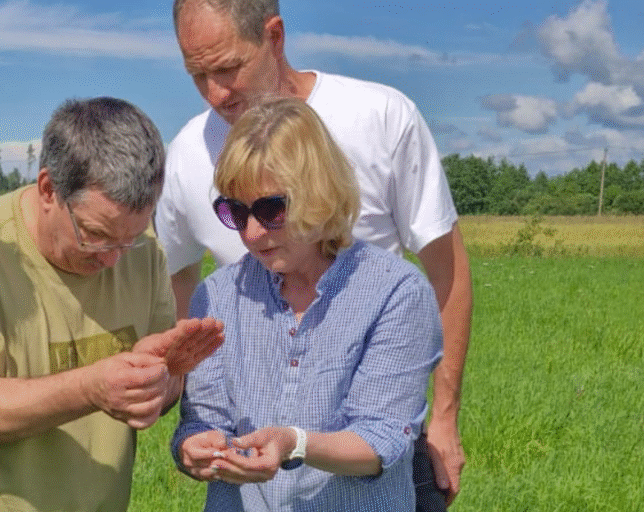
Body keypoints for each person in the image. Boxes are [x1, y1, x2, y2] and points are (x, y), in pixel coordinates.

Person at [154, 0, 472, 507]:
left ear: (274, 37)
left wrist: (444, 418)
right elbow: (179, 293)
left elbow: (445, 272)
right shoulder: (188, 155)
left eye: (228, 68)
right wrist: (188, 431)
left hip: (371, 453)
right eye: (234, 213)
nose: (252, 234)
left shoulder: (380, 116)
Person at [0, 97, 224, 512]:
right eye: (95, 235)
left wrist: (157, 383)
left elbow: (163, 390)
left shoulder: (143, 253)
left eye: (130, 238)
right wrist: (92, 387)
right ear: (48, 189)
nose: (113, 259)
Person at [172, 97, 443, 511]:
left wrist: (293, 443)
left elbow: (380, 440)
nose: (252, 232)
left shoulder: (396, 292)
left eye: (271, 209)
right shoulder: (216, 295)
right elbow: (202, 420)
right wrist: (196, 447)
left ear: (320, 193)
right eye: (236, 211)